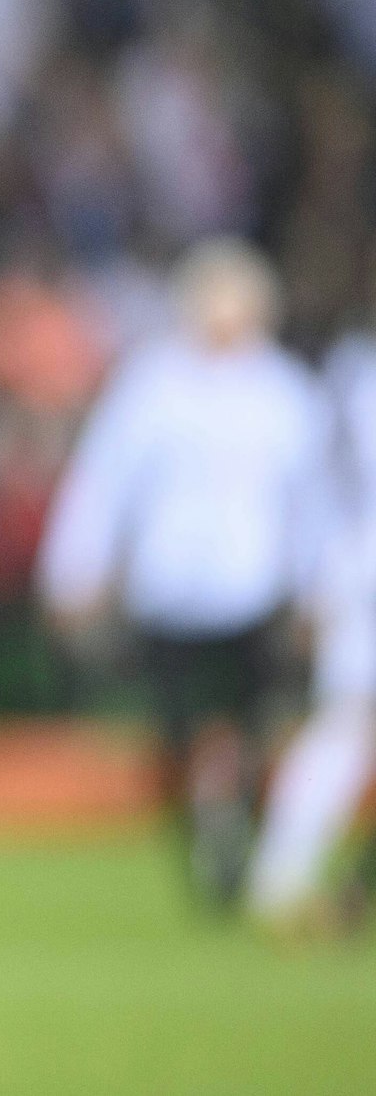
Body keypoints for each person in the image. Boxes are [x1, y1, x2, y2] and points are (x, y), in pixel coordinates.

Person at [39, 239, 328, 908]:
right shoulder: (153, 385)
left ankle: (238, 834)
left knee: (253, 728)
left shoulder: (284, 392)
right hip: (169, 591)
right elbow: (104, 482)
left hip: (254, 588)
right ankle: (201, 830)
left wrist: (317, 588)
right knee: (177, 733)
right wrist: (74, 570)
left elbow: (313, 502)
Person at [247, 280, 376, 932]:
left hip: (352, 572)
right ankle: (283, 874)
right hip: (359, 576)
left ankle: (286, 874)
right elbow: (321, 493)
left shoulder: (349, 373)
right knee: (346, 726)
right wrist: (313, 583)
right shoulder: (352, 378)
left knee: (344, 727)